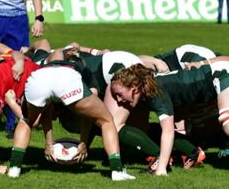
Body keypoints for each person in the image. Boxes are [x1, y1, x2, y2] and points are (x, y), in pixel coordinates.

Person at [8, 61, 136, 181]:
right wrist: (84, 142)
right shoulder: (85, 68)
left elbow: (47, 109)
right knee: (106, 120)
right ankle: (117, 170)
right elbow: (88, 114)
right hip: (67, 78)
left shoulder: (48, 61)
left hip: (40, 77)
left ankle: (14, 168)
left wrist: (49, 144)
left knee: (26, 121)